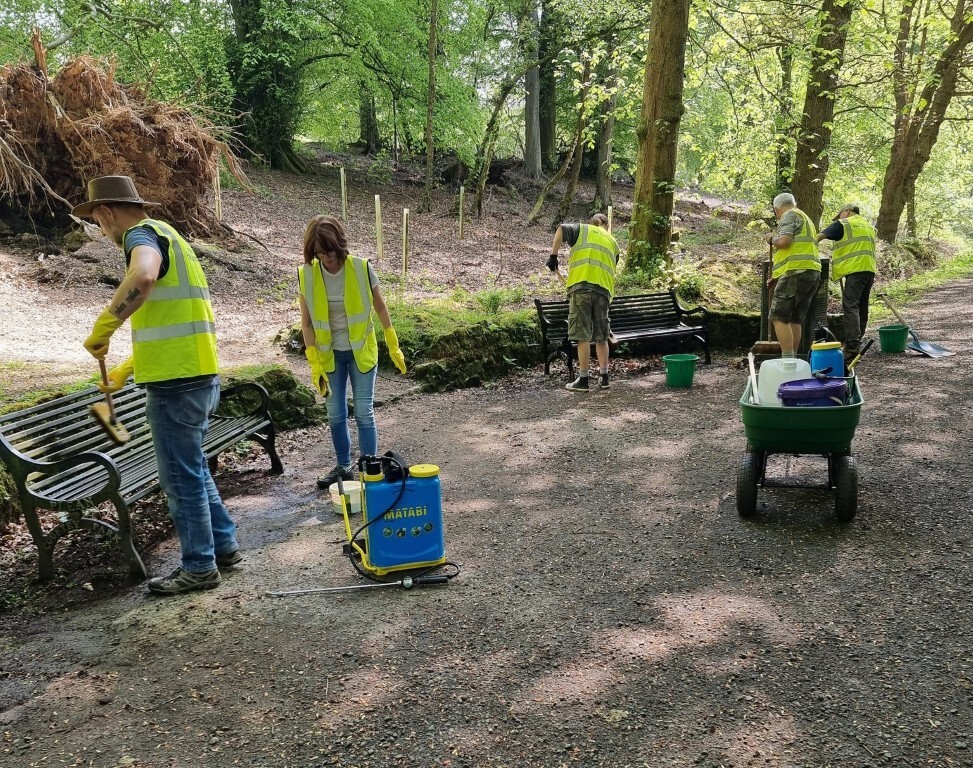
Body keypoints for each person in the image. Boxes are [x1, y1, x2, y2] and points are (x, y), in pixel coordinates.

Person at [73, 175, 239, 596]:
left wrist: (105, 325)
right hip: (199, 374)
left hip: (175, 386)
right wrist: (126, 370)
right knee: (194, 468)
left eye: (97, 221)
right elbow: (170, 323)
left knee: (180, 478)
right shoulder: (172, 237)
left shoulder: (140, 236)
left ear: (106, 213)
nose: (102, 231)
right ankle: (224, 546)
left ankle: (199, 566)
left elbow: (143, 278)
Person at [298, 215, 407, 490]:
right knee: (335, 414)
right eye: (320, 253)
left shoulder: (360, 268)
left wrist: (392, 342)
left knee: (363, 412)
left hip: (360, 352)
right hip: (328, 354)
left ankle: (370, 468)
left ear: (340, 246)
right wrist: (313, 361)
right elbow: (307, 322)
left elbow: (380, 307)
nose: (326, 259)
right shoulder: (307, 275)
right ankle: (344, 466)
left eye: (330, 252)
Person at [548, 213, 620, 391]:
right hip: (603, 291)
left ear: (593, 222)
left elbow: (561, 229)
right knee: (602, 336)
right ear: (606, 224)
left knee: (583, 336)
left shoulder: (583, 229)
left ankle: (583, 379)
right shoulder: (613, 242)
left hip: (581, 288)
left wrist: (553, 256)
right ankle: (604, 377)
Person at [817, 203, 877, 362]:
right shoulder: (868, 226)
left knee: (850, 305)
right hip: (869, 269)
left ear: (847, 212)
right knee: (862, 306)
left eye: (840, 214)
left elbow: (818, 238)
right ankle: (857, 342)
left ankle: (852, 347)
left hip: (854, 270)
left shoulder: (843, 224)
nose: (838, 218)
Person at [766, 192, 821, 357]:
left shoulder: (789, 215)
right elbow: (796, 249)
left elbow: (784, 242)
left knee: (778, 316)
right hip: (810, 272)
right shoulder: (806, 218)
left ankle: (788, 361)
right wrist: (777, 277)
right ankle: (794, 359)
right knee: (795, 319)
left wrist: (771, 238)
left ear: (777, 210)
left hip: (795, 272)